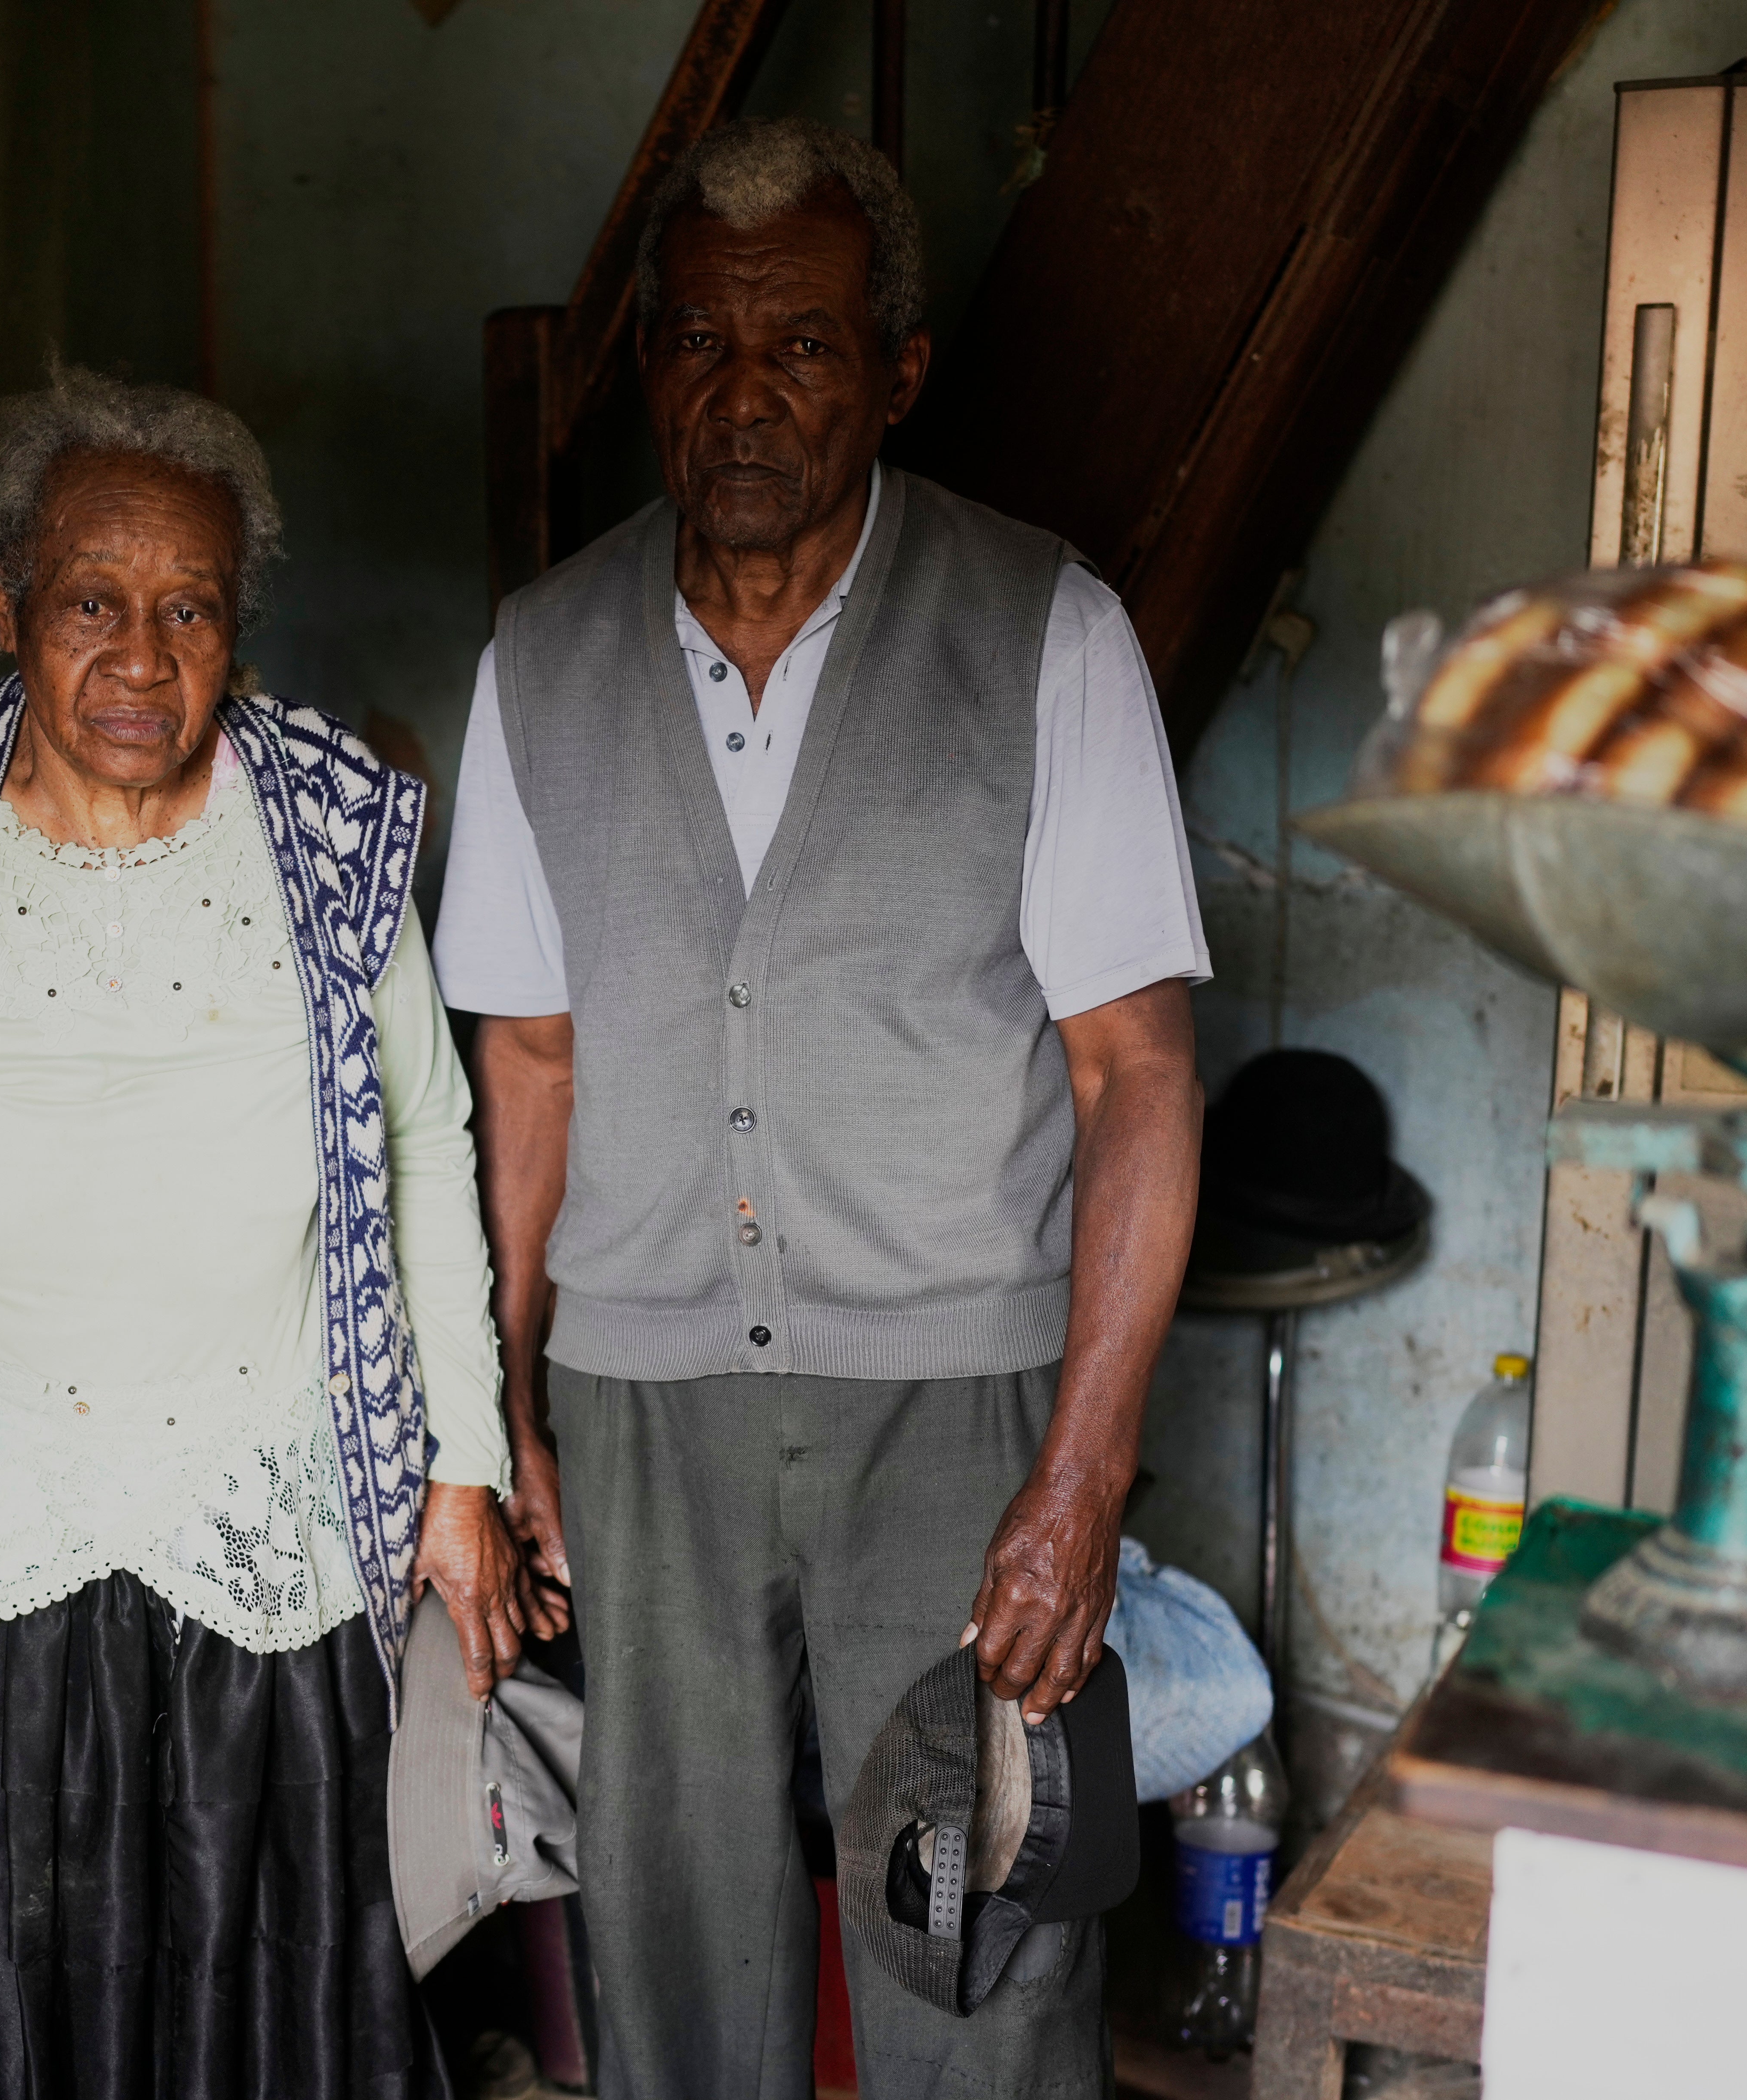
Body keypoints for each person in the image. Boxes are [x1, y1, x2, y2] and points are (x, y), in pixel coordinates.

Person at [436, 118, 1209, 2095]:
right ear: (649, 372)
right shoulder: (538, 660)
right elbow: (525, 1062)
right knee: (670, 1949)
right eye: (699, 342)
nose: (744, 393)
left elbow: (1134, 1078)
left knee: (979, 1937)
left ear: (898, 373)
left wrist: (1084, 1478)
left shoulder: (1048, 632)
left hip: (956, 1419)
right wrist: (507, 1402)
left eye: (800, 346)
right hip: (639, 1405)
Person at [0, 366, 527, 2098]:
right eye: (93, 606)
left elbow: (424, 1142)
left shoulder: (329, 827)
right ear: (12, 609)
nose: (141, 659)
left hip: (260, 1528)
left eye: (189, 612)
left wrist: (462, 1473)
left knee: (254, 2013)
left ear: (236, 632)